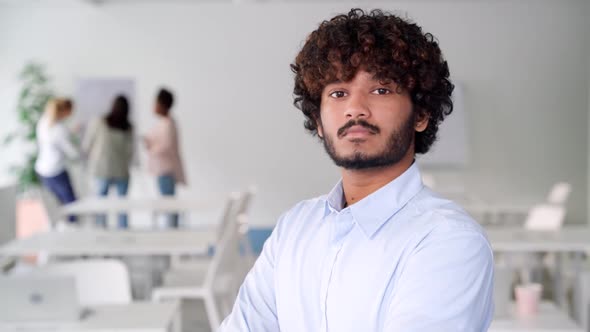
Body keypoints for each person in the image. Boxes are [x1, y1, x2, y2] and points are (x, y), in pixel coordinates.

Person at [220, 9, 494, 331]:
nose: (355, 109)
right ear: (319, 122)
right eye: (338, 93)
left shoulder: (448, 241)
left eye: (380, 90)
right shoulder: (294, 229)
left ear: (421, 114)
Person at [83, 95, 134, 228]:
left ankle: (102, 237)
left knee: (101, 207)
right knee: (122, 208)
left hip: (102, 170)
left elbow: (87, 145)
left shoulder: (99, 122)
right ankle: (124, 238)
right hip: (121, 171)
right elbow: (130, 152)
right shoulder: (128, 127)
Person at [143, 88, 186, 228]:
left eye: (155, 103)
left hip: (165, 169)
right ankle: (171, 230)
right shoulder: (165, 123)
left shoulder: (168, 124)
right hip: (163, 169)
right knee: (168, 204)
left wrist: (151, 148)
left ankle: (172, 232)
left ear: (162, 105)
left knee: (169, 204)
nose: (153, 106)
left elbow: (166, 146)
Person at [35, 98, 80, 223]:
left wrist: (69, 134)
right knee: (72, 205)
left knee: (55, 205)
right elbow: (73, 153)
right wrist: (75, 139)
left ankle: (62, 228)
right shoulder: (60, 129)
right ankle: (72, 229)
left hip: (42, 170)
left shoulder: (43, 121)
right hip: (56, 171)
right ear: (65, 111)